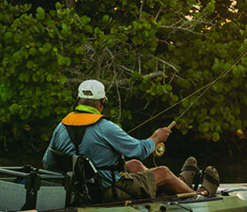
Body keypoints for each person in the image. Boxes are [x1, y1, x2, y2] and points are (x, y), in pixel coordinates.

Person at [43, 79, 220, 202]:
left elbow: (48, 163)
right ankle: (198, 195)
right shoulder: (105, 126)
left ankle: (179, 184)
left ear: (78, 100)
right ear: (102, 102)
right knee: (164, 172)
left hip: (80, 189)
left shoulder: (61, 126)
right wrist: (157, 137)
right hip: (106, 191)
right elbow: (140, 150)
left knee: (134, 164)